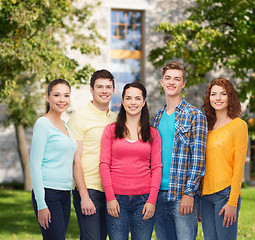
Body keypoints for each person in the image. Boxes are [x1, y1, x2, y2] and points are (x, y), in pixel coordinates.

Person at [99, 81, 162, 240]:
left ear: (143, 102)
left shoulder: (153, 133)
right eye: (128, 98)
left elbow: (156, 168)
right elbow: (104, 165)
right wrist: (110, 197)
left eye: (137, 98)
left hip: (144, 200)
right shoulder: (111, 130)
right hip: (117, 199)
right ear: (122, 101)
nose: (133, 102)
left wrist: (152, 200)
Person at [152, 62, 208, 240]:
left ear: (183, 84)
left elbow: (198, 159)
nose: (171, 82)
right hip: (158, 196)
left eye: (177, 79)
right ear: (162, 82)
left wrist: (189, 193)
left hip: (181, 195)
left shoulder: (195, 116)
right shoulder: (156, 119)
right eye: (168, 78)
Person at [67, 70, 117, 240]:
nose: (104, 91)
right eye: (100, 87)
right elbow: (75, 160)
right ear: (91, 89)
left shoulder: (116, 119)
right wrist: (84, 196)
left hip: (111, 190)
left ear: (113, 90)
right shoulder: (79, 118)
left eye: (108, 87)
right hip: (89, 188)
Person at [200, 78, 248, 240]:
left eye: (223, 94)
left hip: (225, 195)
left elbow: (239, 166)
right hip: (205, 196)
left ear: (230, 97)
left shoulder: (238, 126)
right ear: (209, 98)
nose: (218, 98)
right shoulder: (205, 126)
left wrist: (232, 202)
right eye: (213, 94)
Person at [30, 79, 77, 240]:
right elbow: (35, 165)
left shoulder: (64, 124)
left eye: (66, 95)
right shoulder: (43, 124)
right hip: (48, 193)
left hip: (65, 193)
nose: (62, 100)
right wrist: (41, 204)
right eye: (57, 95)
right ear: (48, 97)